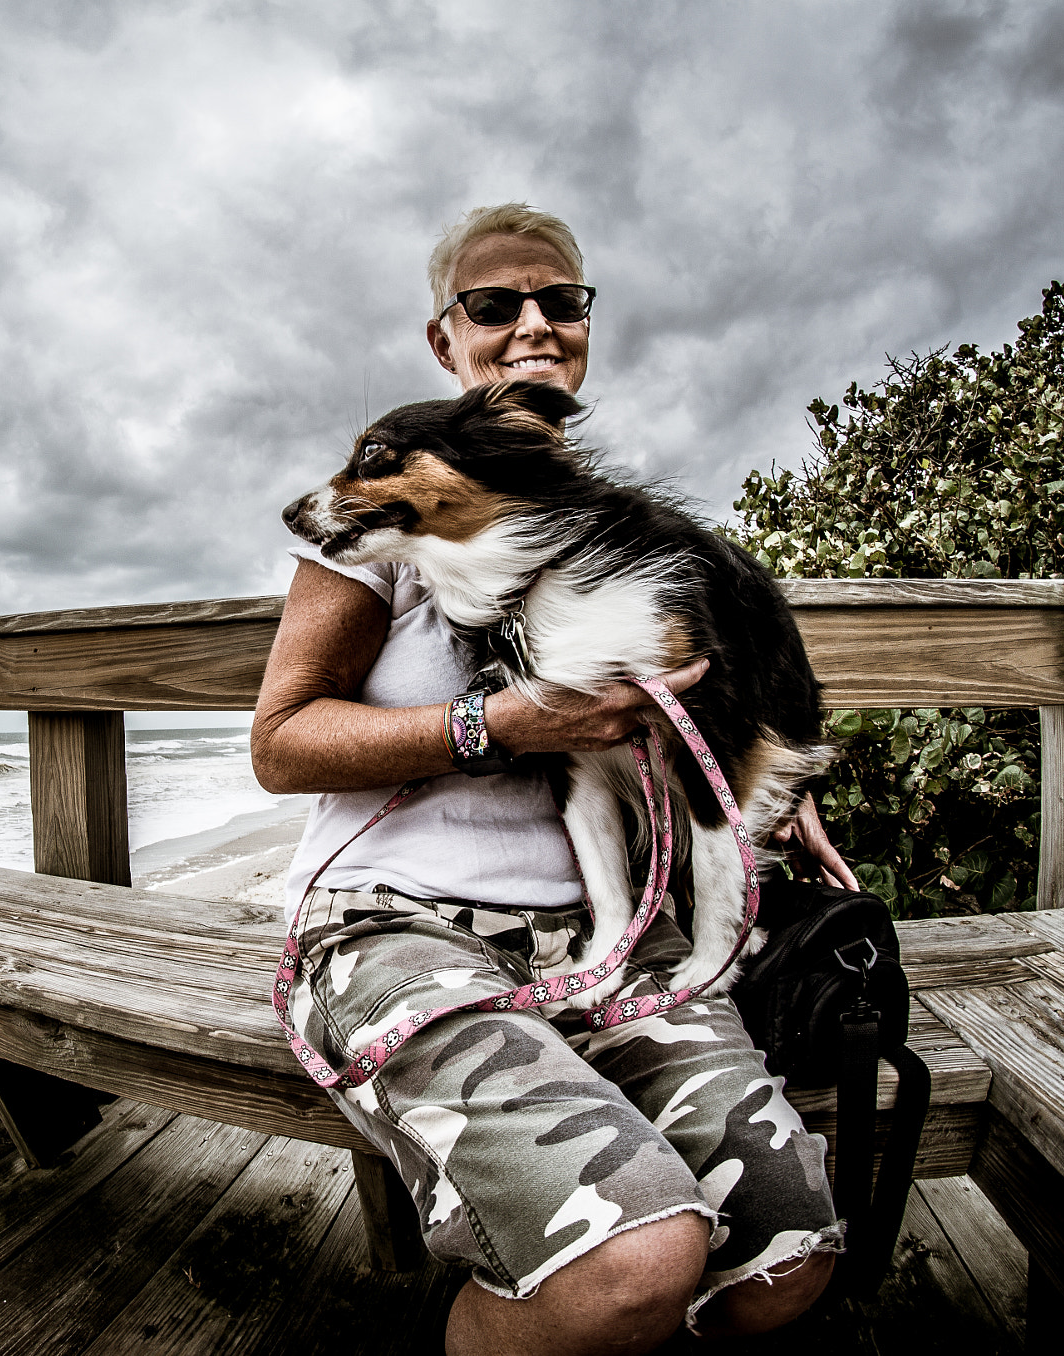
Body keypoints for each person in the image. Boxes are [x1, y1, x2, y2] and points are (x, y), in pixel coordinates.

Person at [251, 203, 860, 1355]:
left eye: (560, 301)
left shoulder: (609, 531)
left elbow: (719, 690)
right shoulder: (379, 524)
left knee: (785, 1262)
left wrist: (755, 777)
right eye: (493, 304)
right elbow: (280, 744)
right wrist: (500, 724)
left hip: (610, 931)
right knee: (627, 1266)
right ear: (445, 338)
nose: (532, 321)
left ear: (583, 322)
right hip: (395, 927)